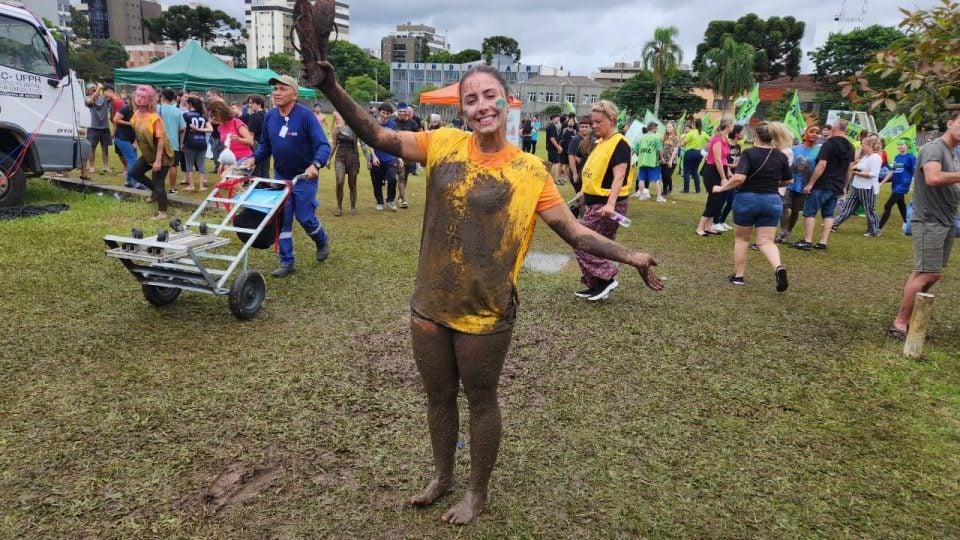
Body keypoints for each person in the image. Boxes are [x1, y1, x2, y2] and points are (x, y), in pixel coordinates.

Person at [313, 60, 663, 525]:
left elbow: (576, 234)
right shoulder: (442, 144)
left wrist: (631, 256)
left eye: (489, 96)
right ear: (462, 109)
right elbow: (378, 136)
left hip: (486, 312)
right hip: (430, 304)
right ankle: (442, 477)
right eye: (471, 99)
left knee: (481, 399)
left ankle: (477, 493)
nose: (481, 107)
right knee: (438, 396)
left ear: (506, 101)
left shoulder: (530, 170)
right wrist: (332, 85)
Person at [243, 75, 332, 278]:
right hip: (281, 176)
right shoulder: (270, 117)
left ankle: (321, 239)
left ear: (294, 93)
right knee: (282, 218)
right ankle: (286, 261)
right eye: (275, 89)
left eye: (283, 89)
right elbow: (265, 145)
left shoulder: (306, 116)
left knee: (305, 217)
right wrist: (254, 159)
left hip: (304, 177)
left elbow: (323, 145)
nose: (277, 92)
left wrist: (315, 165)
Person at [889, 111, 960, 340]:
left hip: (946, 219)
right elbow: (933, 178)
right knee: (927, 273)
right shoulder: (934, 148)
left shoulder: (951, 153)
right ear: (950, 123)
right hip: (929, 219)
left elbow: (949, 184)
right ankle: (900, 323)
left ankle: (908, 317)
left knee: (930, 273)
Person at [713, 122, 794, 290]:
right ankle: (778, 267)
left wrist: (721, 188)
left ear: (756, 136)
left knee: (741, 239)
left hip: (747, 199)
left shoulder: (749, 153)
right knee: (766, 242)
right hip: (772, 200)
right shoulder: (780, 156)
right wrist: (772, 181)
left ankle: (738, 276)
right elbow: (789, 180)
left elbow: (739, 178)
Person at [572, 100, 639, 301]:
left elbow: (619, 175)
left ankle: (607, 277)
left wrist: (610, 204)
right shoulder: (601, 143)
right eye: (592, 121)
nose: (594, 125)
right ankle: (598, 286)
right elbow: (597, 173)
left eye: (598, 121)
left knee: (581, 242)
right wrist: (584, 193)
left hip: (607, 205)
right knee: (601, 245)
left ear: (611, 120)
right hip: (595, 201)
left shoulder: (620, 143)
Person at [795, 119, 856, 250]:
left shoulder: (829, 144)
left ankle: (808, 241)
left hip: (823, 183)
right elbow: (850, 168)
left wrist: (810, 183)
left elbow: (822, 164)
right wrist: (844, 186)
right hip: (837, 185)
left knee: (809, 211)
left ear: (835, 129)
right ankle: (823, 242)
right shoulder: (851, 147)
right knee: (828, 214)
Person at [129, 85, 172, 220]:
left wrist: (158, 160)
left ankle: (163, 212)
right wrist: (135, 142)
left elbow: (161, 140)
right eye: (137, 96)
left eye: (143, 97)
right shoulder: (136, 114)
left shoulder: (154, 118)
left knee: (158, 183)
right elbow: (138, 129)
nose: (139, 99)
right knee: (135, 172)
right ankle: (154, 192)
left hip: (162, 156)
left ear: (150, 100)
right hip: (148, 154)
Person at [832, 135, 883, 236]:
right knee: (848, 207)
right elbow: (855, 164)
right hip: (857, 186)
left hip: (867, 188)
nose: (862, 147)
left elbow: (874, 174)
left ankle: (874, 230)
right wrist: (854, 169)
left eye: (863, 145)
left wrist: (856, 173)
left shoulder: (875, 158)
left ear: (869, 146)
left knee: (869, 209)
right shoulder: (866, 156)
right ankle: (834, 223)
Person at [777, 125, 820, 243]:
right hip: (790, 182)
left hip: (805, 185)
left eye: (817, 132)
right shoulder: (794, 149)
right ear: (805, 134)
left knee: (796, 210)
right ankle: (783, 231)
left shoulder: (819, 151)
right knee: (783, 206)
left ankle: (788, 232)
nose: (814, 134)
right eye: (812, 131)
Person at [696, 118, 733, 237]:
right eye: (733, 124)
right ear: (728, 125)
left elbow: (725, 159)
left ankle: (708, 226)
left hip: (720, 171)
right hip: (712, 172)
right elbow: (717, 160)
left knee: (719, 200)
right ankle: (700, 228)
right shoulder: (717, 140)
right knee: (714, 200)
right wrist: (723, 177)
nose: (733, 127)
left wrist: (728, 172)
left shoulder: (725, 139)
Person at [111, 91, 146, 190]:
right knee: (132, 160)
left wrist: (135, 142)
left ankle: (128, 182)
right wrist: (130, 123)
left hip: (131, 139)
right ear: (132, 99)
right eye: (138, 98)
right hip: (122, 137)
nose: (140, 100)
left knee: (133, 159)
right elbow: (116, 119)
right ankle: (136, 183)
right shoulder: (126, 108)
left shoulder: (139, 111)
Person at [878, 141, 916, 231]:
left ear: (907, 146)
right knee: (901, 205)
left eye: (901, 144)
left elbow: (915, 172)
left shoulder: (911, 157)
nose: (899, 146)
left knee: (887, 206)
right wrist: (882, 182)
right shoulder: (897, 157)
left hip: (903, 185)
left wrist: (916, 185)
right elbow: (892, 171)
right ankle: (908, 225)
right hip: (895, 184)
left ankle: (878, 228)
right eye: (898, 145)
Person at [208, 100, 255, 172]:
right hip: (231, 160)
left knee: (229, 176)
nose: (213, 118)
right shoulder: (220, 127)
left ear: (221, 113)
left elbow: (251, 142)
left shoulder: (236, 122)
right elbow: (226, 146)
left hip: (245, 159)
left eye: (214, 115)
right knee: (225, 177)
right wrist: (222, 163)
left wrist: (238, 139)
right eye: (211, 116)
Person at [369, 102, 400, 211]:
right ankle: (379, 202)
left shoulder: (393, 125)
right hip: (376, 157)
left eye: (387, 114)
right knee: (376, 181)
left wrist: (398, 157)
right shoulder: (373, 124)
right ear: (379, 112)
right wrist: (374, 157)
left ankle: (390, 201)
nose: (385, 116)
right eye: (383, 113)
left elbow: (396, 142)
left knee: (392, 179)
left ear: (390, 114)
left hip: (390, 157)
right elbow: (370, 142)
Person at [329, 111, 360, 216]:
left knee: (352, 184)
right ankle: (339, 207)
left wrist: (370, 159)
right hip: (340, 157)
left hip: (353, 158)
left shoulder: (356, 130)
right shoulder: (338, 129)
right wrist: (328, 159)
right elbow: (334, 144)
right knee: (339, 181)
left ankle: (353, 207)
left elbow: (363, 145)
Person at [715, 124, 744, 231]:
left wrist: (738, 165)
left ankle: (722, 221)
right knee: (722, 199)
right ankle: (716, 221)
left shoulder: (738, 146)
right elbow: (722, 159)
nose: (743, 134)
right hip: (725, 174)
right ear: (736, 134)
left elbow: (738, 159)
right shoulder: (726, 144)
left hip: (734, 175)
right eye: (742, 131)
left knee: (731, 201)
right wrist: (729, 166)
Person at [157, 89, 186, 195]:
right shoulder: (178, 111)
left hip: (159, 141)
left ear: (162, 97)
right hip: (174, 143)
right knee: (173, 166)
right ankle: (172, 188)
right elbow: (183, 128)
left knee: (158, 163)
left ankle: (158, 186)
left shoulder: (157, 108)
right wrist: (181, 143)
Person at [181, 96, 211, 192]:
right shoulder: (203, 116)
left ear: (190, 104)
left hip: (190, 141)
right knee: (201, 164)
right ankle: (202, 186)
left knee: (189, 164)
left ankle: (191, 185)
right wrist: (199, 130)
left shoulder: (185, 115)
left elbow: (183, 130)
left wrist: (181, 143)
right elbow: (211, 129)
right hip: (202, 142)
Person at [394, 102, 421, 208]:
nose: (402, 113)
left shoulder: (413, 123)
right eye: (400, 111)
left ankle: (401, 195)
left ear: (407, 112)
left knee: (405, 177)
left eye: (404, 111)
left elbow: (418, 138)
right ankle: (404, 200)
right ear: (397, 111)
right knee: (401, 175)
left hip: (409, 154)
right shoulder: (394, 122)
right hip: (397, 153)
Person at [84, 83, 113, 176]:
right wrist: (98, 90)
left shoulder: (103, 97)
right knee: (92, 148)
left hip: (105, 127)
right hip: (93, 127)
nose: (94, 89)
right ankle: (92, 166)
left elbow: (113, 96)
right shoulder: (87, 98)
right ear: (88, 91)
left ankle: (106, 166)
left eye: (94, 88)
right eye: (92, 89)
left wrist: (102, 88)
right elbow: (89, 102)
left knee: (105, 148)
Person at [634, 122, 664, 202]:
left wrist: (641, 156)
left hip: (642, 161)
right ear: (653, 128)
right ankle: (659, 197)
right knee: (657, 179)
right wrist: (661, 158)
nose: (656, 130)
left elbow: (636, 150)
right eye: (656, 128)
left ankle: (641, 196)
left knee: (641, 179)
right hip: (653, 162)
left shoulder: (640, 137)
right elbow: (660, 149)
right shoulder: (656, 138)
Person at [681, 119, 709, 193]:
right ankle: (698, 190)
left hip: (690, 152)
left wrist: (681, 143)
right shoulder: (703, 133)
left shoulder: (691, 133)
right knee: (695, 171)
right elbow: (711, 141)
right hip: (699, 153)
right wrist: (705, 148)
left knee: (686, 171)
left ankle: (686, 189)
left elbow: (683, 144)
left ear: (694, 125)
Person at [245, 95, 269, 178]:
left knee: (257, 170)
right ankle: (266, 187)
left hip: (257, 145)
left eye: (251, 103)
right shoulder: (267, 115)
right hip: (267, 145)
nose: (249, 105)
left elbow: (251, 135)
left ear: (258, 103)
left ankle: (259, 187)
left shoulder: (254, 116)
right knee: (265, 169)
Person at [567, 116, 592, 193]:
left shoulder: (592, 139)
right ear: (579, 128)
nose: (584, 129)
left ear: (590, 127)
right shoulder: (576, 140)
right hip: (577, 173)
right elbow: (571, 157)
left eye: (586, 127)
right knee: (581, 198)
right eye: (582, 127)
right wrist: (575, 174)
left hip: (587, 173)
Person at [659, 122, 680, 196]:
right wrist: (661, 157)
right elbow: (661, 148)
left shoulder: (676, 137)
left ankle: (670, 186)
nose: (668, 128)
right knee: (663, 175)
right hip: (663, 160)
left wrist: (671, 160)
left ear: (673, 127)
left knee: (667, 175)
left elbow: (676, 149)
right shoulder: (664, 137)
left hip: (672, 160)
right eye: (667, 127)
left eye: (670, 127)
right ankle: (665, 190)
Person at [546, 114, 564, 181]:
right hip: (552, 148)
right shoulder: (551, 126)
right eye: (558, 118)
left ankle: (547, 178)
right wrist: (558, 147)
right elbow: (552, 138)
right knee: (557, 163)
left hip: (551, 147)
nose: (559, 120)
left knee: (550, 163)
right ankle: (556, 179)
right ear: (554, 118)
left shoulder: (551, 126)